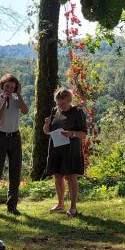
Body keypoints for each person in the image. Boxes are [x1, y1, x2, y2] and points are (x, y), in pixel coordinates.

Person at [0, 73, 28, 215]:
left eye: (12, 87)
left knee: (15, 173)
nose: (9, 89)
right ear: (2, 86)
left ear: (16, 88)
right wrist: (4, 101)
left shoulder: (17, 100)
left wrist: (19, 95)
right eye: (7, 86)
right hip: (0, 138)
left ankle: (12, 206)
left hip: (15, 137)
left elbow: (25, 111)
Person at [43, 88, 87, 216]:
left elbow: (83, 134)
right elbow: (47, 131)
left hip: (71, 150)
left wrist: (71, 133)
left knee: (71, 177)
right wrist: (46, 124)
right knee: (57, 176)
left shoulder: (77, 112)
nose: (60, 105)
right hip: (56, 149)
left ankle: (73, 207)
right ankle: (60, 204)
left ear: (69, 100)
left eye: (63, 102)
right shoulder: (54, 111)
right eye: (58, 102)